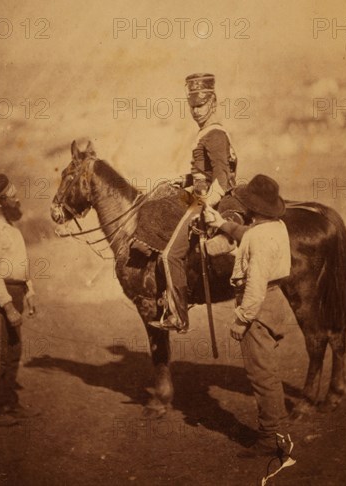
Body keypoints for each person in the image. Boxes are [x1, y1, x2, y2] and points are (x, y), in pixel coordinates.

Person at [205, 174, 294, 459]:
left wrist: (241, 319)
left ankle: (271, 439)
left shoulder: (256, 237)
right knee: (270, 371)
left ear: (253, 208)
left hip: (258, 306)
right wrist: (222, 224)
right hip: (276, 301)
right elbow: (247, 234)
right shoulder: (277, 227)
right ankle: (278, 429)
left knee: (260, 375)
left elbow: (254, 284)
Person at [150, 73, 237, 332]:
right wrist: (184, 181)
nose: (196, 111)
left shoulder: (215, 134)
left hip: (206, 200)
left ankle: (178, 316)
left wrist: (205, 204)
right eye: (192, 106)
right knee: (160, 201)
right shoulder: (206, 133)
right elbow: (205, 172)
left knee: (169, 255)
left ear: (213, 103)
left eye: (200, 105)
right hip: (198, 193)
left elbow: (222, 177)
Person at [0, 174, 39, 427]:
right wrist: (8, 307)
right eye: (13, 196)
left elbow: (20, 267)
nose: (18, 198)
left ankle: (9, 403)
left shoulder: (11, 228)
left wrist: (30, 292)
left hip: (15, 292)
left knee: (14, 351)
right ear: (0, 202)